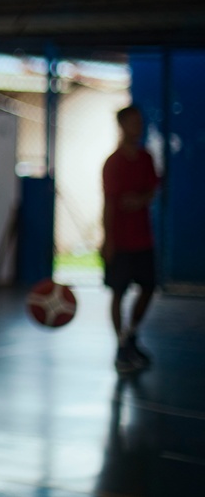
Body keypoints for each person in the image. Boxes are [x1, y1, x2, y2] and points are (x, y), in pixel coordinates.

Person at [101, 105, 159, 374]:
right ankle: (121, 344)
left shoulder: (146, 158)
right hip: (120, 240)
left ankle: (132, 333)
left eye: (140, 121)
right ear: (122, 125)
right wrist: (108, 240)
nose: (139, 126)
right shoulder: (113, 163)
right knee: (118, 292)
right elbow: (109, 203)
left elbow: (152, 188)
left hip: (143, 238)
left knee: (148, 286)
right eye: (133, 122)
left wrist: (141, 200)